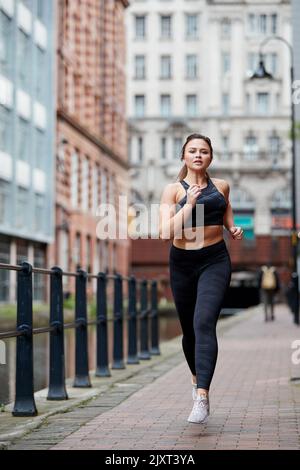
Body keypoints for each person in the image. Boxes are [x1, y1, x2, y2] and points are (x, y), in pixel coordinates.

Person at [159, 133, 243, 424]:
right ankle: (197, 383)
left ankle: (203, 397)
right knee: (189, 332)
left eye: (204, 151)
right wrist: (189, 205)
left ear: (210, 157)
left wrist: (231, 227)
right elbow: (165, 233)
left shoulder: (221, 186)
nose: (198, 155)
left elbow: (225, 206)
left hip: (214, 260)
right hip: (182, 263)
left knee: (204, 322)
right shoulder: (172, 191)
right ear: (183, 156)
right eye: (192, 151)